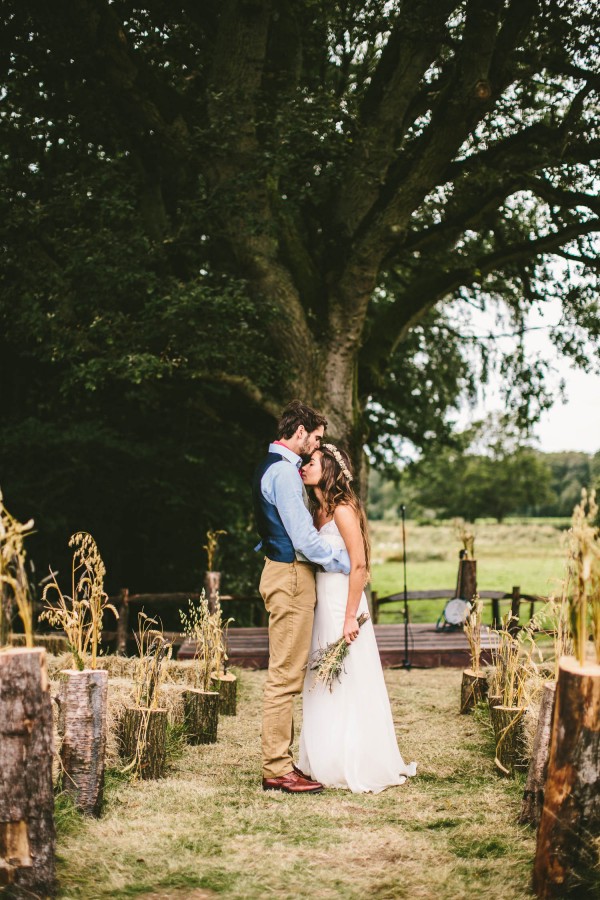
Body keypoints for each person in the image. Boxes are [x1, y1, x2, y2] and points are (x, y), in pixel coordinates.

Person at [298, 443, 417, 793]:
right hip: (324, 602)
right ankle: (322, 757)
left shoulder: (344, 509)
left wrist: (350, 617)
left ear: (330, 469)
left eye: (312, 462)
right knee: (322, 677)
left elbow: (360, 565)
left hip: (344, 604)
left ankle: (353, 759)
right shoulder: (317, 511)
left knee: (348, 678)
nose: (305, 466)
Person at [253, 400, 351, 794]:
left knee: (286, 673)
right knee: (285, 677)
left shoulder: (269, 466)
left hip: (281, 572)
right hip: (291, 576)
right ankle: (276, 768)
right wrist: (344, 560)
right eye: (316, 438)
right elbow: (305, 540)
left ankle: (282, 761)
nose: (317, 446)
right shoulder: (285, 474)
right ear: (300, 433)